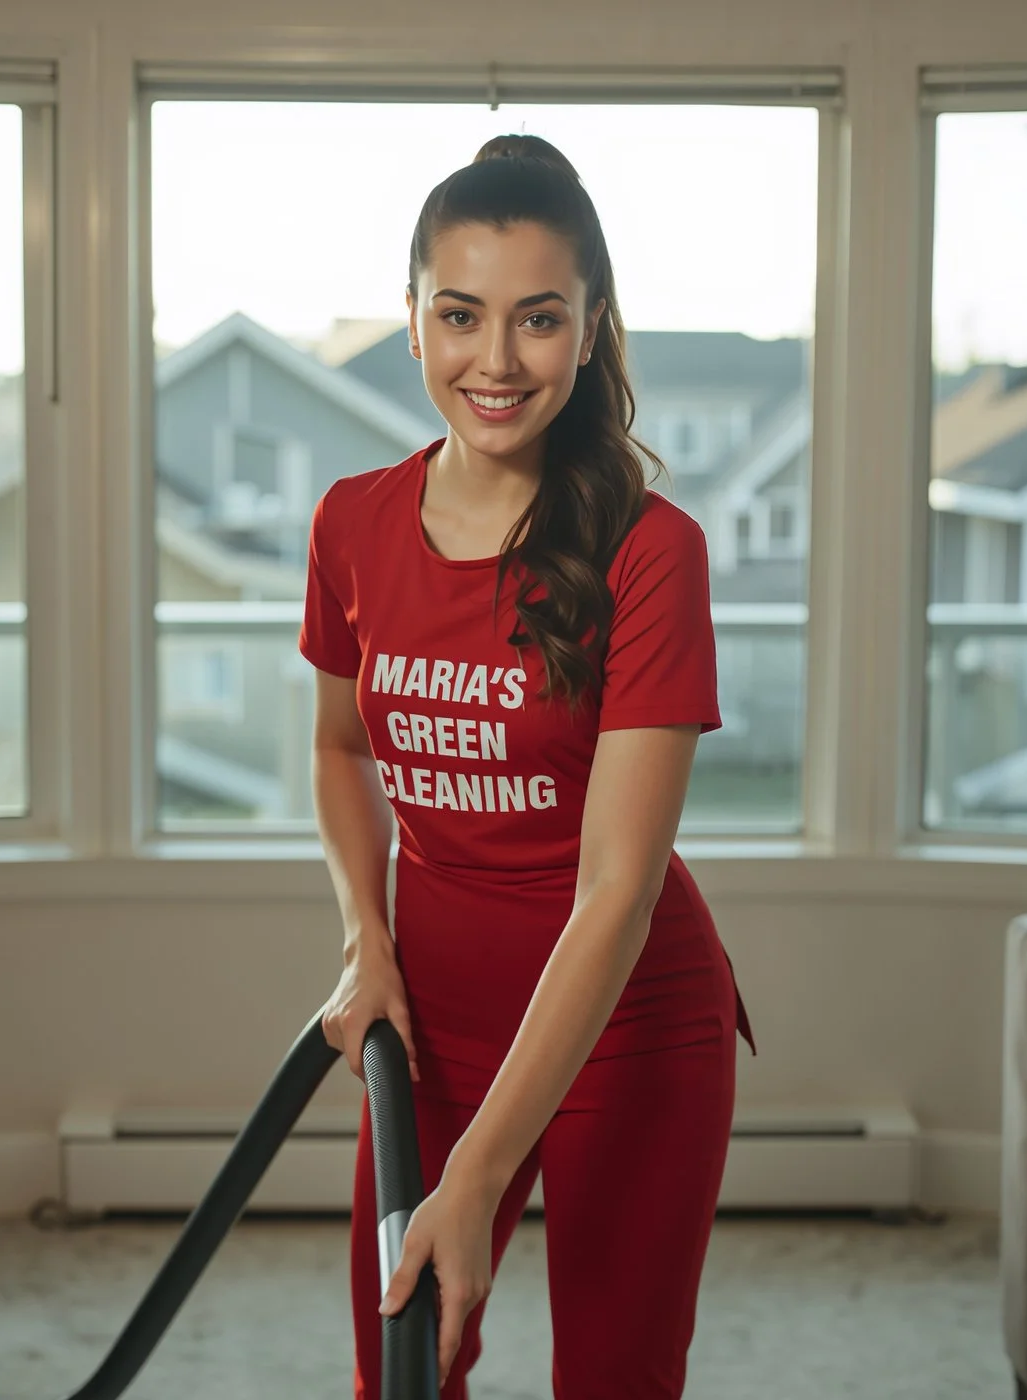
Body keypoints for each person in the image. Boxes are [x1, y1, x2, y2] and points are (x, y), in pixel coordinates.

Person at [300, 132, 757, 1400]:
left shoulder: (653, 552)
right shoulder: (350, 523)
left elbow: (617, 884)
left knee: (614, 1378)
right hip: (431, 1021)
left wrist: (482, 1169)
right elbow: (341, 746)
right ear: (411, 321)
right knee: (399, 1369)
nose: (494, 362)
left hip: (631, 1021)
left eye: (538, 319)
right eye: (460, 315)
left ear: (591, 326)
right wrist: (364, 937)